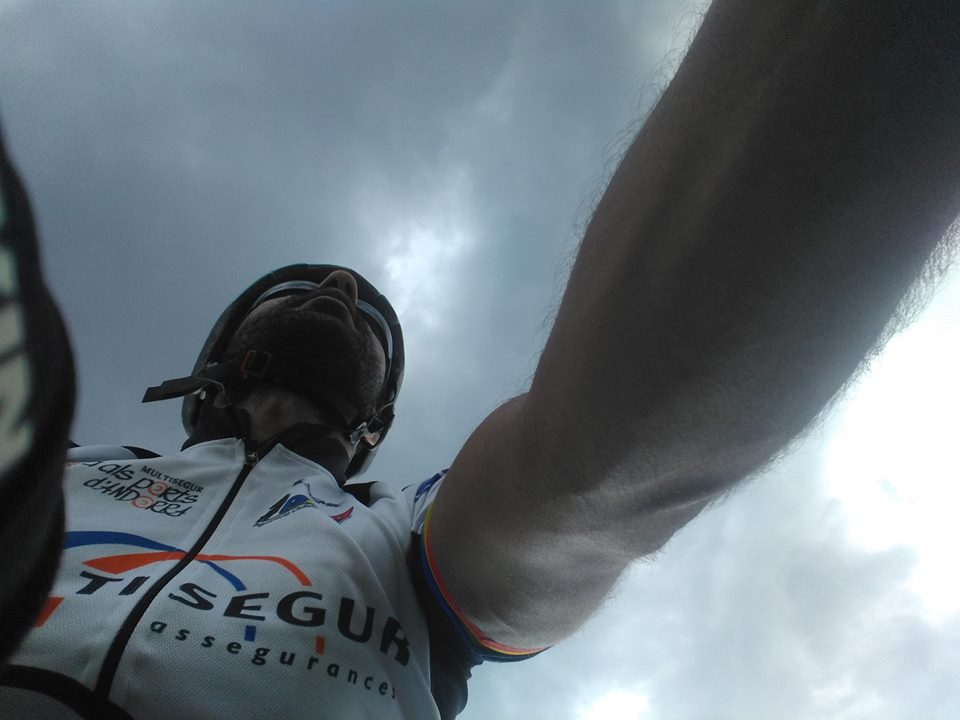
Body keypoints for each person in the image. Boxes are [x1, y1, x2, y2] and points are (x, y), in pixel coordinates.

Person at [1, 0, 957, 717]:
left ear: (373, 431)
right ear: (217, 365)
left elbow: (580, 479)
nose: (337, 288)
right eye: (304, 296)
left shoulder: (402, 537)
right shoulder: (62, 470)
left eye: (356, 308)